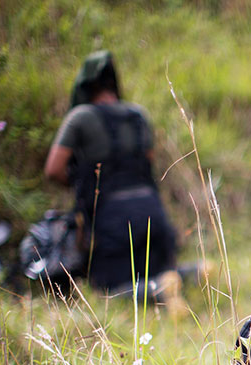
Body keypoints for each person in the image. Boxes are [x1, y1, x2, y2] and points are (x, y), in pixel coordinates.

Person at [44, 50, 184, 313]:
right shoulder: (138, 115)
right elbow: (148, 162)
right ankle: (195, 273)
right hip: (153, 211)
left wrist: (80, 185)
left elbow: (53, 170)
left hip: (114, 219)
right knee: (162, 269)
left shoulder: (80, 117)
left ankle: (158, 291)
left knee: (105, 291)